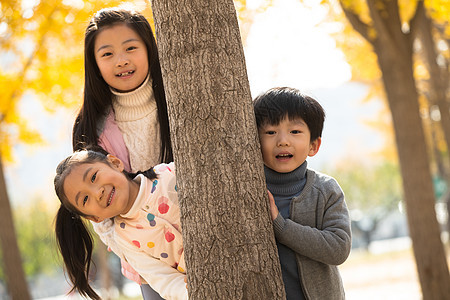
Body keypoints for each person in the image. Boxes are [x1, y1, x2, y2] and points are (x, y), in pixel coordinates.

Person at [71, 7, 182, 300]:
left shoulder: (180, 100)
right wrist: (134, 252)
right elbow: (98, 212)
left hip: (203, 227)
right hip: (148, 254)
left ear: (149, 49)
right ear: (94, 63)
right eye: (107, 54)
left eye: (131, 48)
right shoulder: (91, 127)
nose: (121, 61)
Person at [253, 87, 351, 300]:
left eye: (295, 132)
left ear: (313, 145)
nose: (283, 141)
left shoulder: (325, 190)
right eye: (270, 132)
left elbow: (339, 247)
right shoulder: (248, 189)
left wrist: (280, 225)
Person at [54, 149, 187, 300]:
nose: (98, 193)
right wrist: (190, 291)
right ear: (95, 218)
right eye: (85, 199)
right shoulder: (126, 239)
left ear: (115, 163)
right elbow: (163, 279)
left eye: (93, 177)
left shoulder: (169, 173)